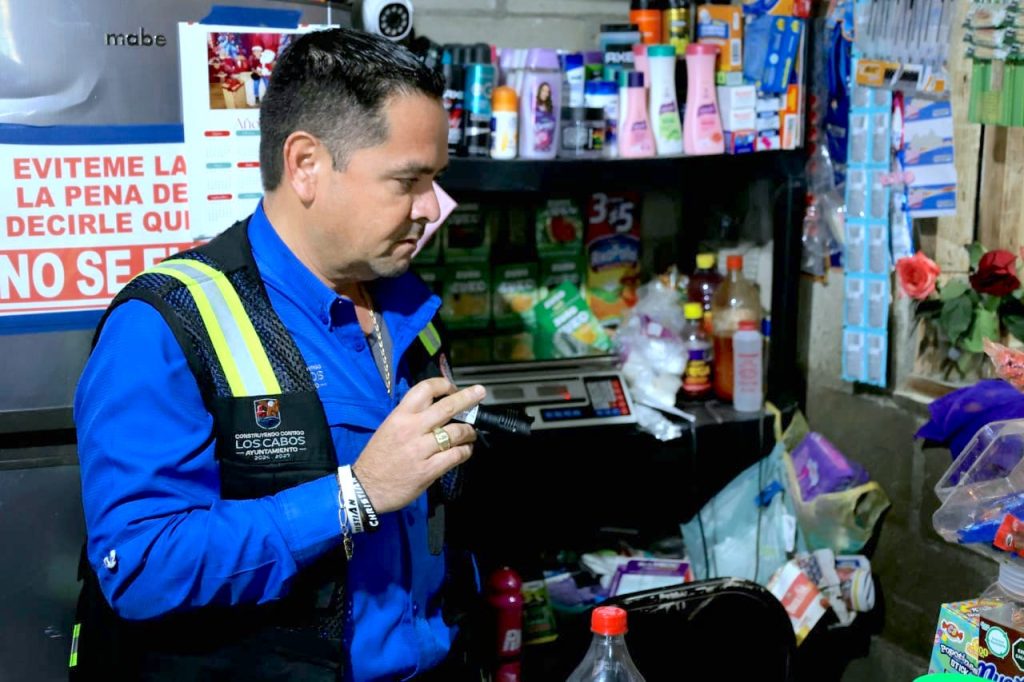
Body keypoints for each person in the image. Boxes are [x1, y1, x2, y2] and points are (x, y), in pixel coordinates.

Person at [71, 27, 486, 681]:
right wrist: (355, 495)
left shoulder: (412, 313)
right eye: (408, 181)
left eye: (435, 179)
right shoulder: (167, 325)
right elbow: (143, 565)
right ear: (305, 165)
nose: (432, 208)